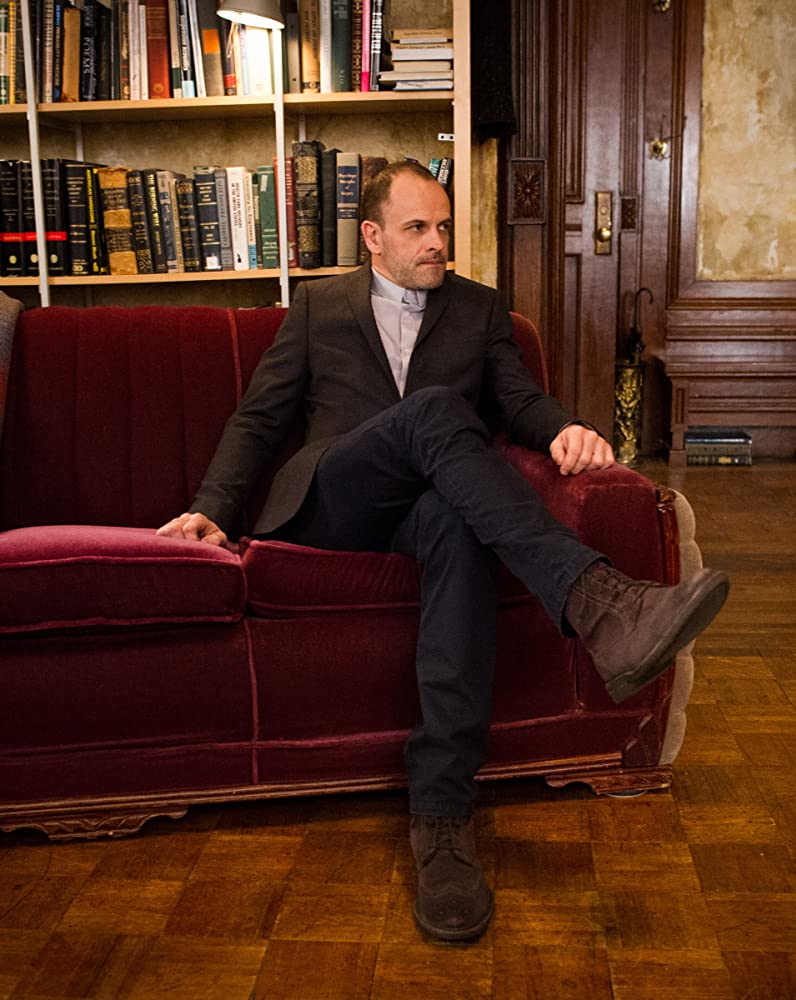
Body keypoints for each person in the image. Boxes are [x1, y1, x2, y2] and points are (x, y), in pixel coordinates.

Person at [157, 162, 728, 942]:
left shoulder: (478, 308)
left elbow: (517, 398)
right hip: (337, 498)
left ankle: (443, 815)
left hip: (423, 512)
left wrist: (565, 427)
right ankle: (600, 600)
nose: (437, 243)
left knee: (457, 524)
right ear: (373, 236)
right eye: (418, 228)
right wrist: (211, 509)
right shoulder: (319, 306)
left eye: (445, 227)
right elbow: (260, 417)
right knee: (432, 411)